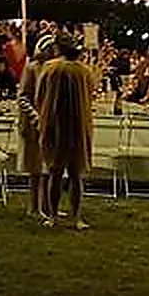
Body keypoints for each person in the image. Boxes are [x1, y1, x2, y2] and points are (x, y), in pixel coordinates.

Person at [36, 35, 98, 229]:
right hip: (79, 126)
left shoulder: (51, 68)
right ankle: (76, 217)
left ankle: (53, 216)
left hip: (55, 125)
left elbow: (40, 96)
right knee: (75, 174)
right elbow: (91, 95)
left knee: (54, 172)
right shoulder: (85, 71)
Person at [17, 35, 57, 219]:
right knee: (35, 169)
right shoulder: (31, 68)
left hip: (49, 124)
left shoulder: (53, 69)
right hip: (32, 126)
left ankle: (48, 206)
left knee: (49, 168)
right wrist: (35, 117)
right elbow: (23, 97)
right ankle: (33, 206)